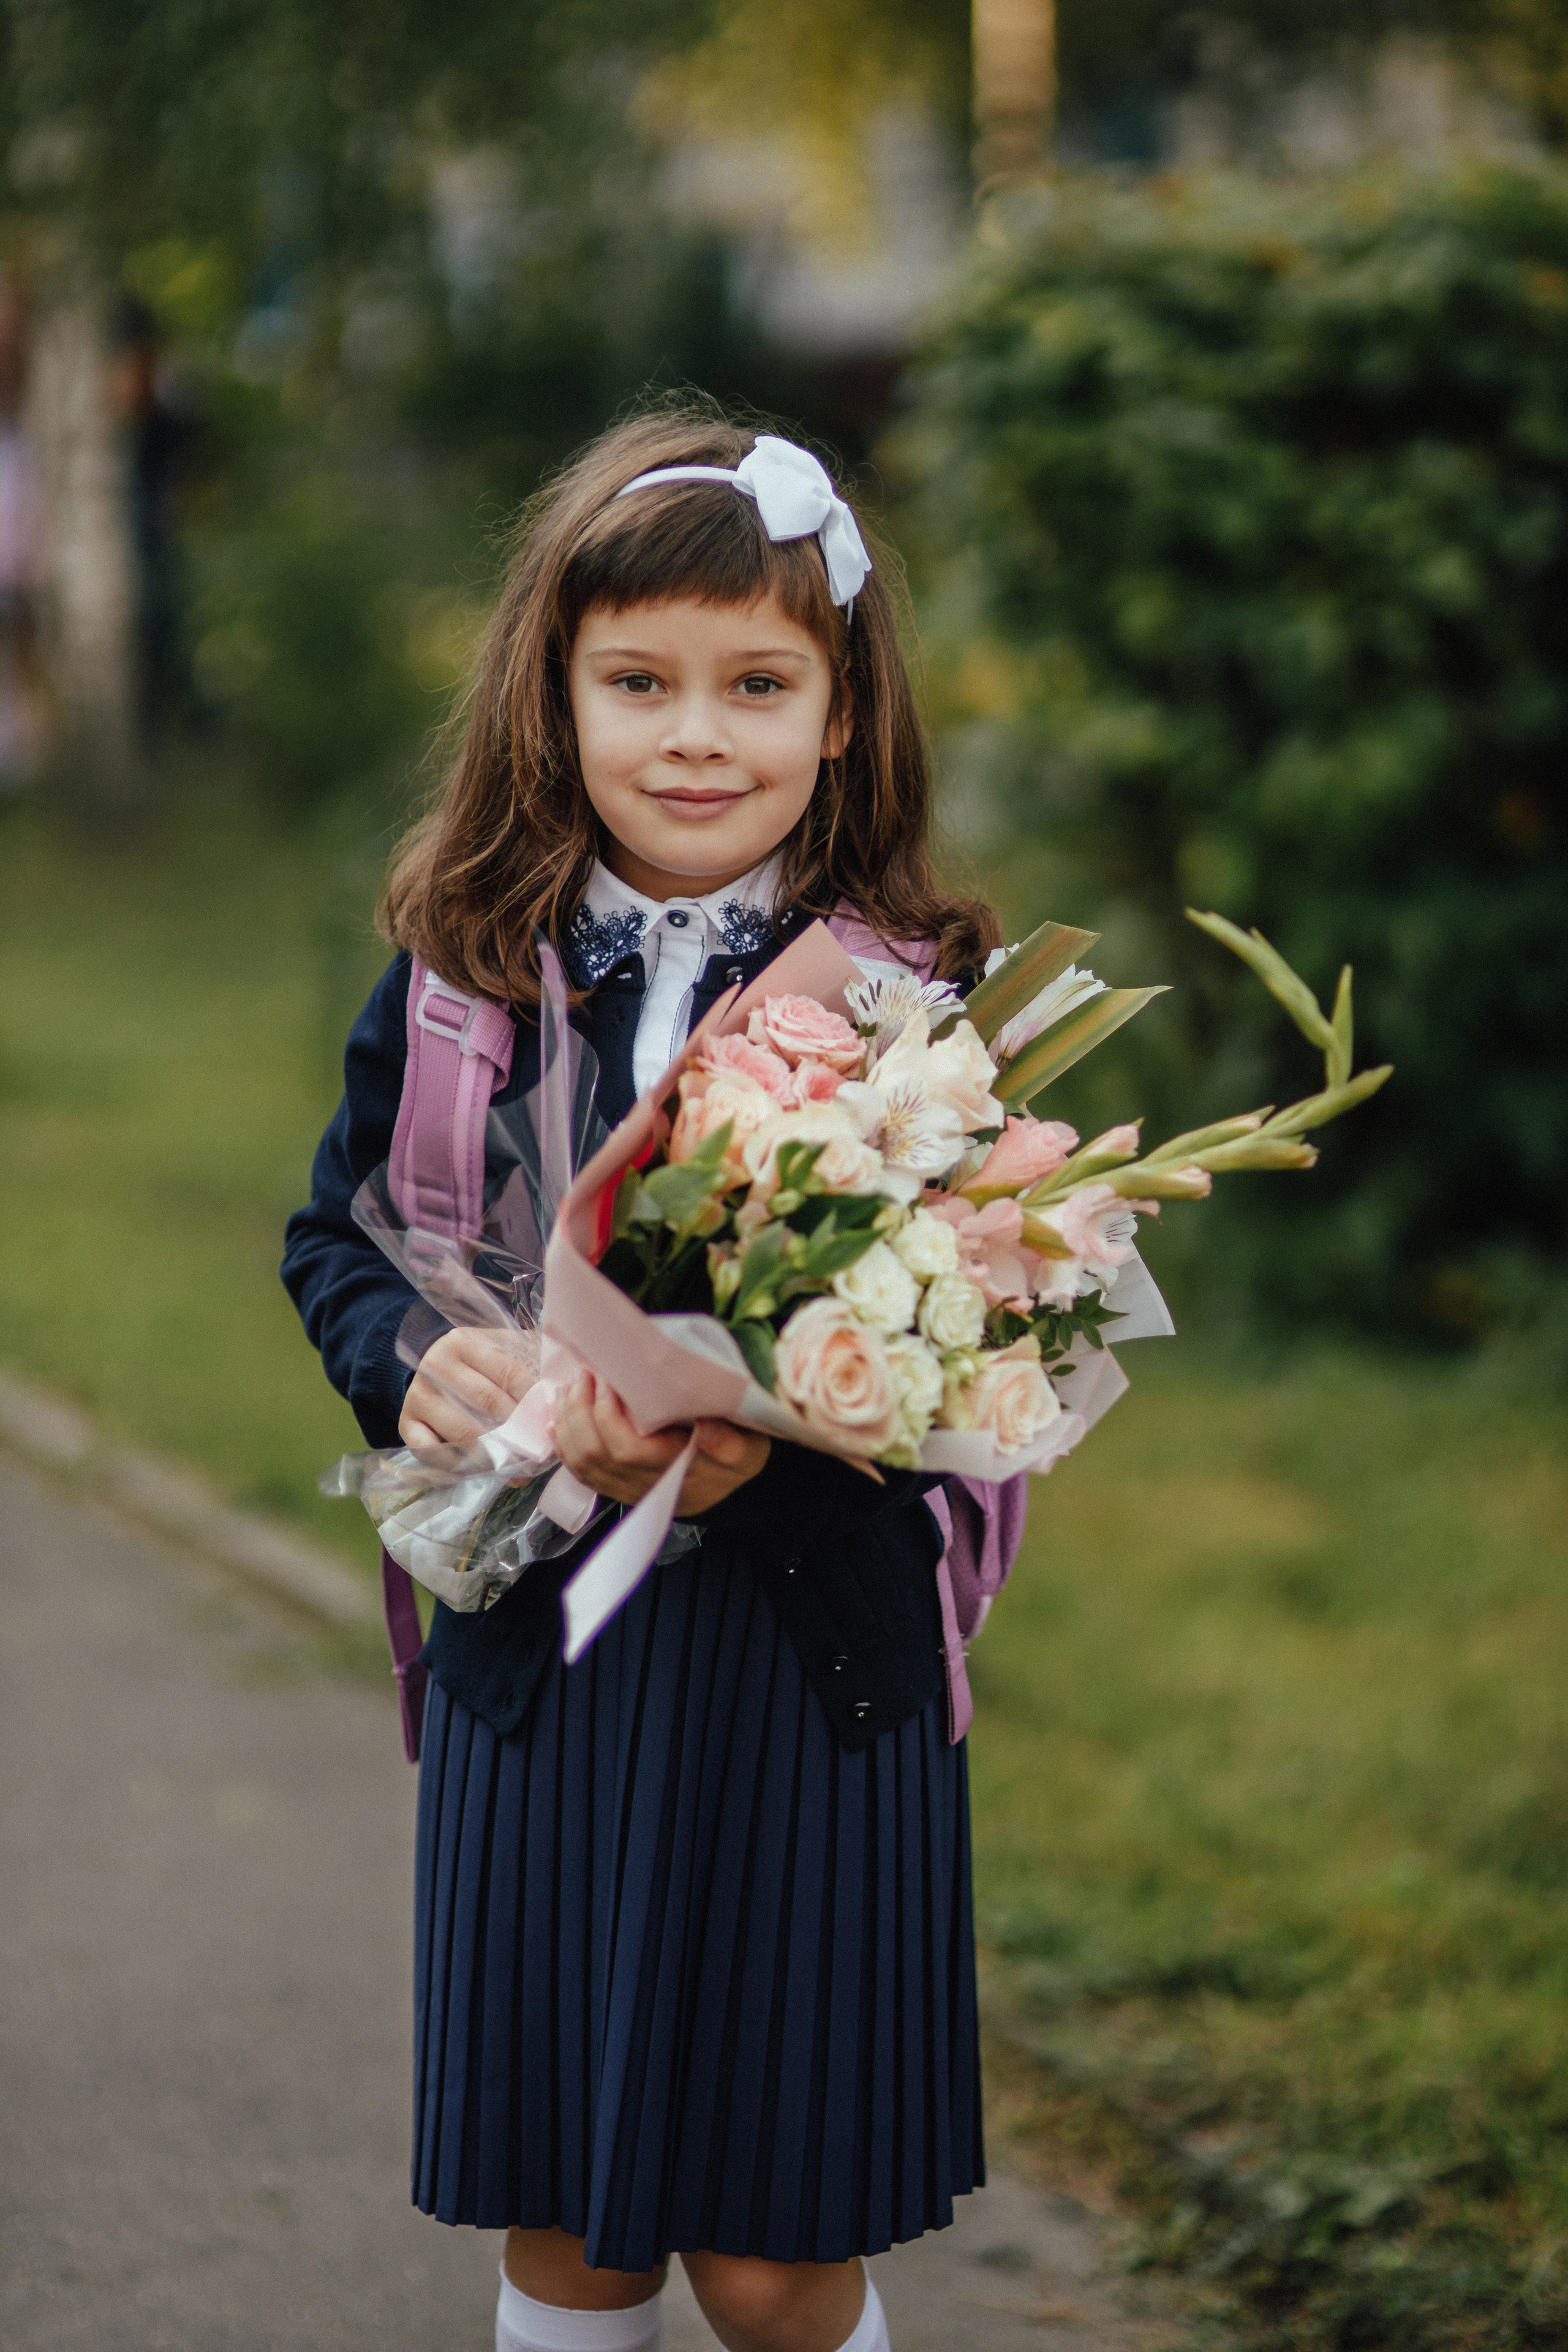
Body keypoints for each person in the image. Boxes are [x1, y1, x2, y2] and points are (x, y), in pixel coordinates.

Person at [282, 400, 1000, 2352]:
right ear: (558, 697)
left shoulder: (906, 999)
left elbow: (989, 1326)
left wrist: (804, 1438)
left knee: (773, 2256)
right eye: (641, 682)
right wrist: (418, 1362)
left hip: (808, 1669)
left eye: (759, 683)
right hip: (543, 1654)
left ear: (842, 712)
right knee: (571, 2233)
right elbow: (337, 1237)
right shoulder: (461, 970)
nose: (699, 734)